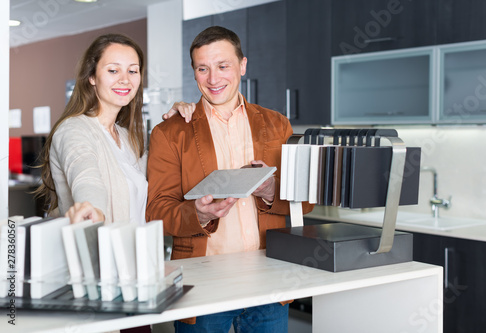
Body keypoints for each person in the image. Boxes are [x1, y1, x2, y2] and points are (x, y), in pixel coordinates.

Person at [146, 26, 313, 332]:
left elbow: (307, 201)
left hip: (269, 277)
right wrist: (196, 213)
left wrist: (273, 191)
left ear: (243, 65)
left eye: (223, 66)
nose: (213, 78)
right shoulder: (170, 132)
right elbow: (157, 211)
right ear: (194, 71)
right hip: (203, 282)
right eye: (203, 68)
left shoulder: (277, 124)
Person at [36, 33, 192, 225]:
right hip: (101, 252)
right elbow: (86, 178)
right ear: (92, 76)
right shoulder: (73, 130)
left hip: (136, 253)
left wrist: (176, 125)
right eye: (113, 70)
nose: (125, 80)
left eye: (133, 71)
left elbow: (162, 175)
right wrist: (93, 210)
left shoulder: (128, 138)